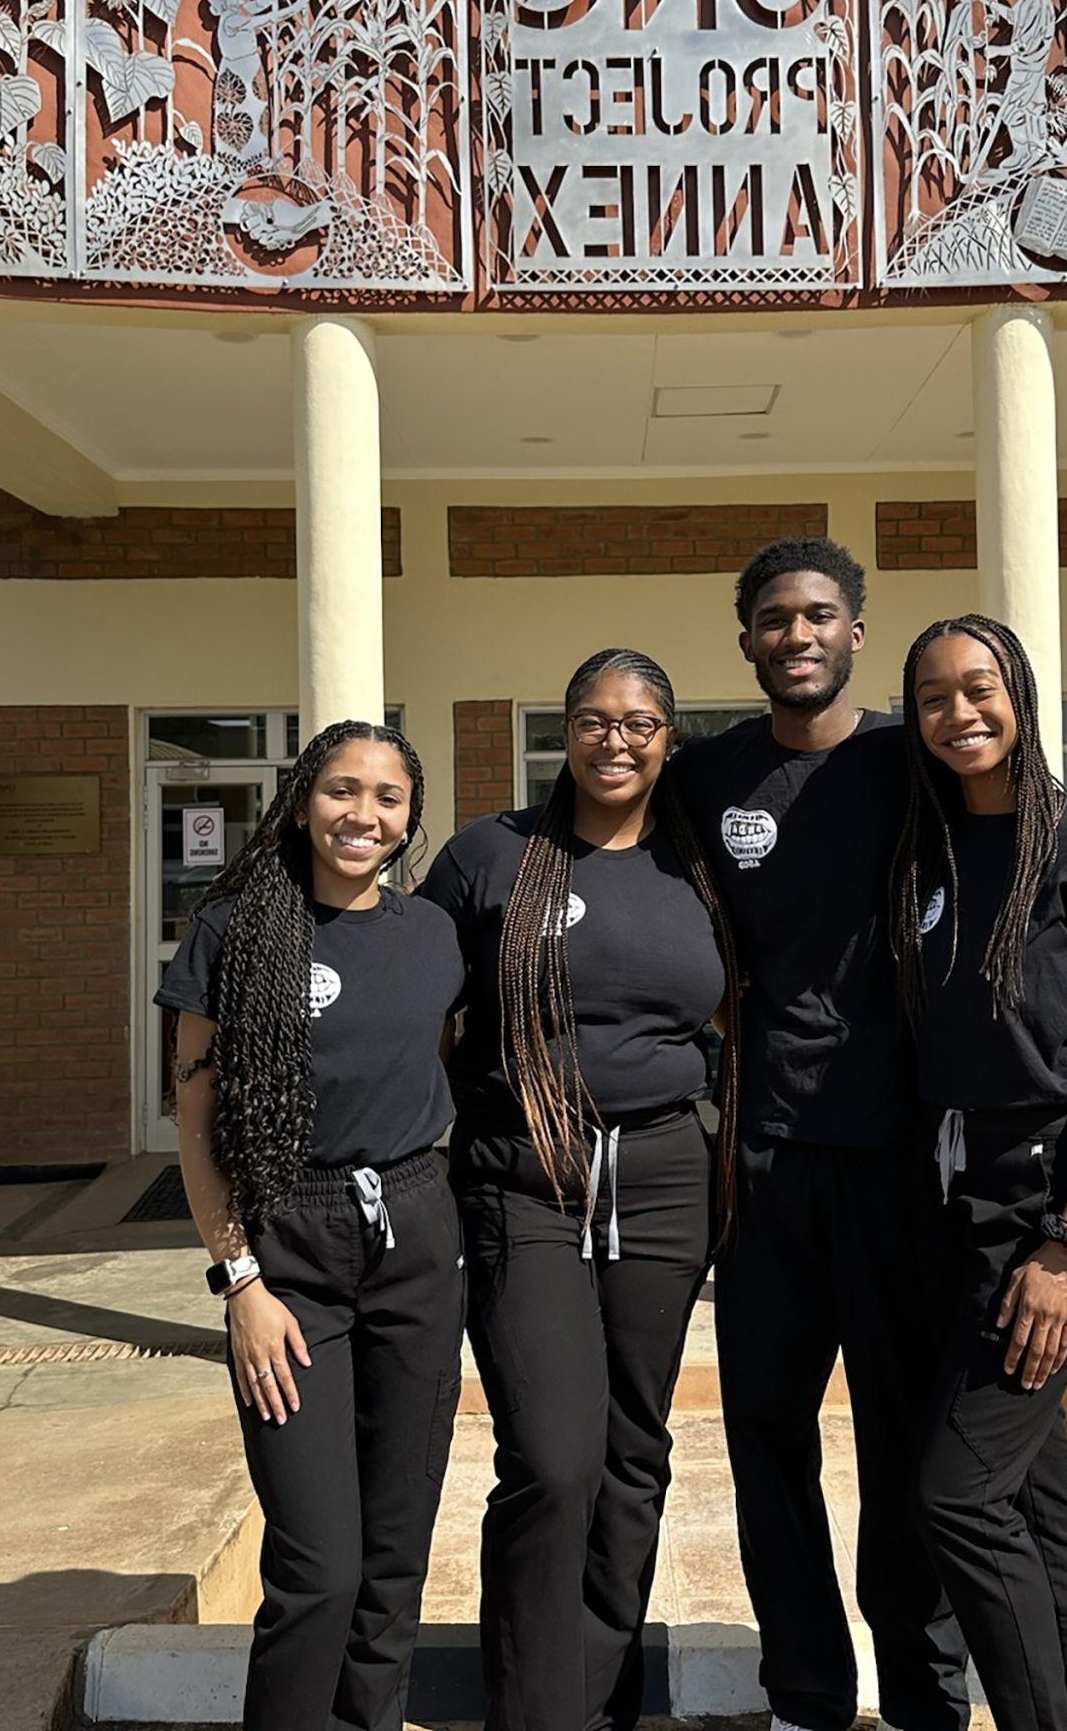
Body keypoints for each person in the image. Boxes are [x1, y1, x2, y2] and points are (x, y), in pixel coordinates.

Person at [667, 539, 970, 1731]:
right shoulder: (706, 777)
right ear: (744, 638)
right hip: (762, 1170)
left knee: (903, 1449)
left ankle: (923, 1690)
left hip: (898, 1165)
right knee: (769, 1447)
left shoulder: (918, 762)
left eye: (820, 615)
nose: (797, 634)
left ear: (856, 632)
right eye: (774, 618)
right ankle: (804, 1691)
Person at [418, 649, 738, 1731]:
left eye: (641, 722)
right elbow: (409, 1001)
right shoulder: (490, 858)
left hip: (661, 1176)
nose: (617, 739)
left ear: (668, 738)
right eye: (595, 720)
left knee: (635, 1448)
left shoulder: (698, 868)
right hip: (525, 1181)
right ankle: (534, 1709)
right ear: (564, 729)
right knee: (555, 1457)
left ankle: (601, 1703)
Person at [156, 719, 466, 1731]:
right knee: (319, 1564)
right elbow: (195, 1123)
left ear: (410, 816)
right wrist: (238, 1280)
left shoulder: (431, 936)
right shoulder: (236, 928)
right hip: (288, 1242)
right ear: (301, 799)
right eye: (342, 790)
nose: (361, 814)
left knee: (393, 1560)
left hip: (417, 1233)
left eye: (386, 797)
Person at [890, 616, 1067, 1731]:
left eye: (979, 689)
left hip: (1050, 1201)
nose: (959, 714)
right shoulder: (922, 851)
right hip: (942, 1199)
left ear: (1021, 697)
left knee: (953, 1495)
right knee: (1029, 1492)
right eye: (933, 698)